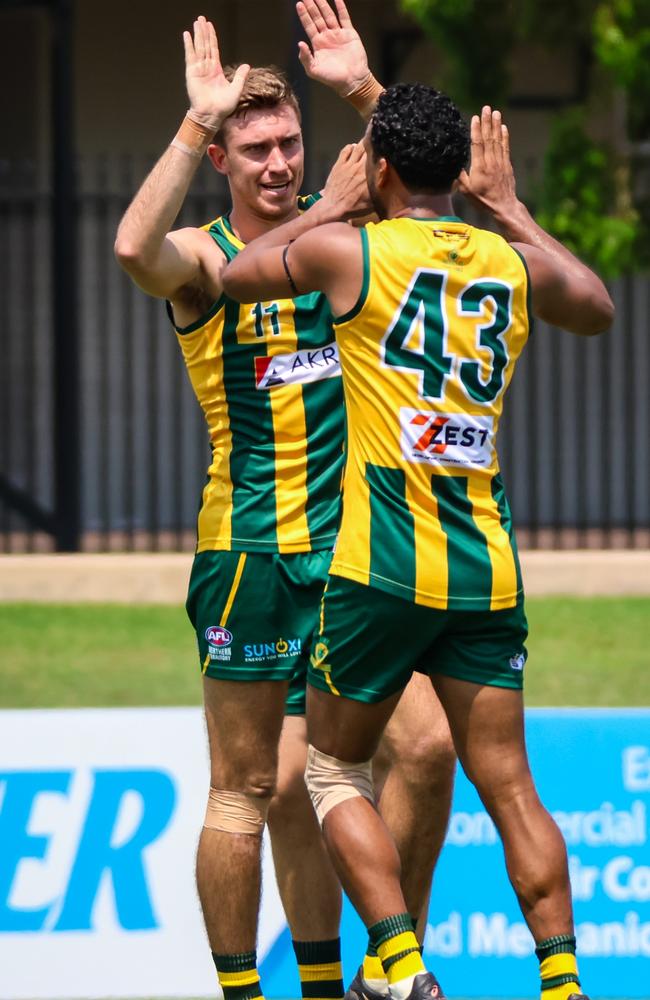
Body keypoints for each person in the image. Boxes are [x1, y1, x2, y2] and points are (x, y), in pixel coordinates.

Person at [221, 86, 614, 1000]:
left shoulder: (345, 249)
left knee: (328, 770)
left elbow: (237, 277)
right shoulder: (507, 262)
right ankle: (561, 981)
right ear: (461, 175)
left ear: (384, 167)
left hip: (380, 564)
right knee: (512, 786)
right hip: (485, 564)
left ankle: (399, 960)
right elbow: (596, 305)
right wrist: (510, 209)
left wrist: (333, 202)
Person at [114, 7, 456, 1000]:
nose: (276, 161)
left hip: (354, 557)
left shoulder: (350, 227)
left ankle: (389, 968)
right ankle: (248, 992)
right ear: (221, 156)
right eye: (254, 146)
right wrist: (192, 120)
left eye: (289, 142)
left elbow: (438, 177)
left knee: (425, 752)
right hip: (250, 554)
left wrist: (362, 91)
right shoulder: (210, 258)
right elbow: (135, 250)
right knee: (250, 789)